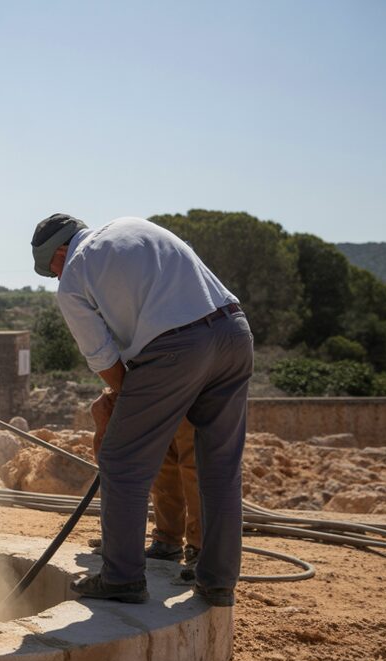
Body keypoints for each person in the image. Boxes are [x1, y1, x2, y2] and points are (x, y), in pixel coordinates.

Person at [31, 213, 252, 607]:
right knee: (219, 466)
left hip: (177, 349)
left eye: (52, 270)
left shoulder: (74, 275)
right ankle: (218, 582)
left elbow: (103, 358)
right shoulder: (133, 226)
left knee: (121, 460)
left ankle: (122, 579)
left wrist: (125, 398)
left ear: (61, 252)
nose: (55, 278)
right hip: (234, 332)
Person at [147, 418, 202, 567]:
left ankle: (200, 547)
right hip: (160, 406)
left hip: (192, 407)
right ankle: (167, 540)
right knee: (163, 460)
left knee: (194, 465)